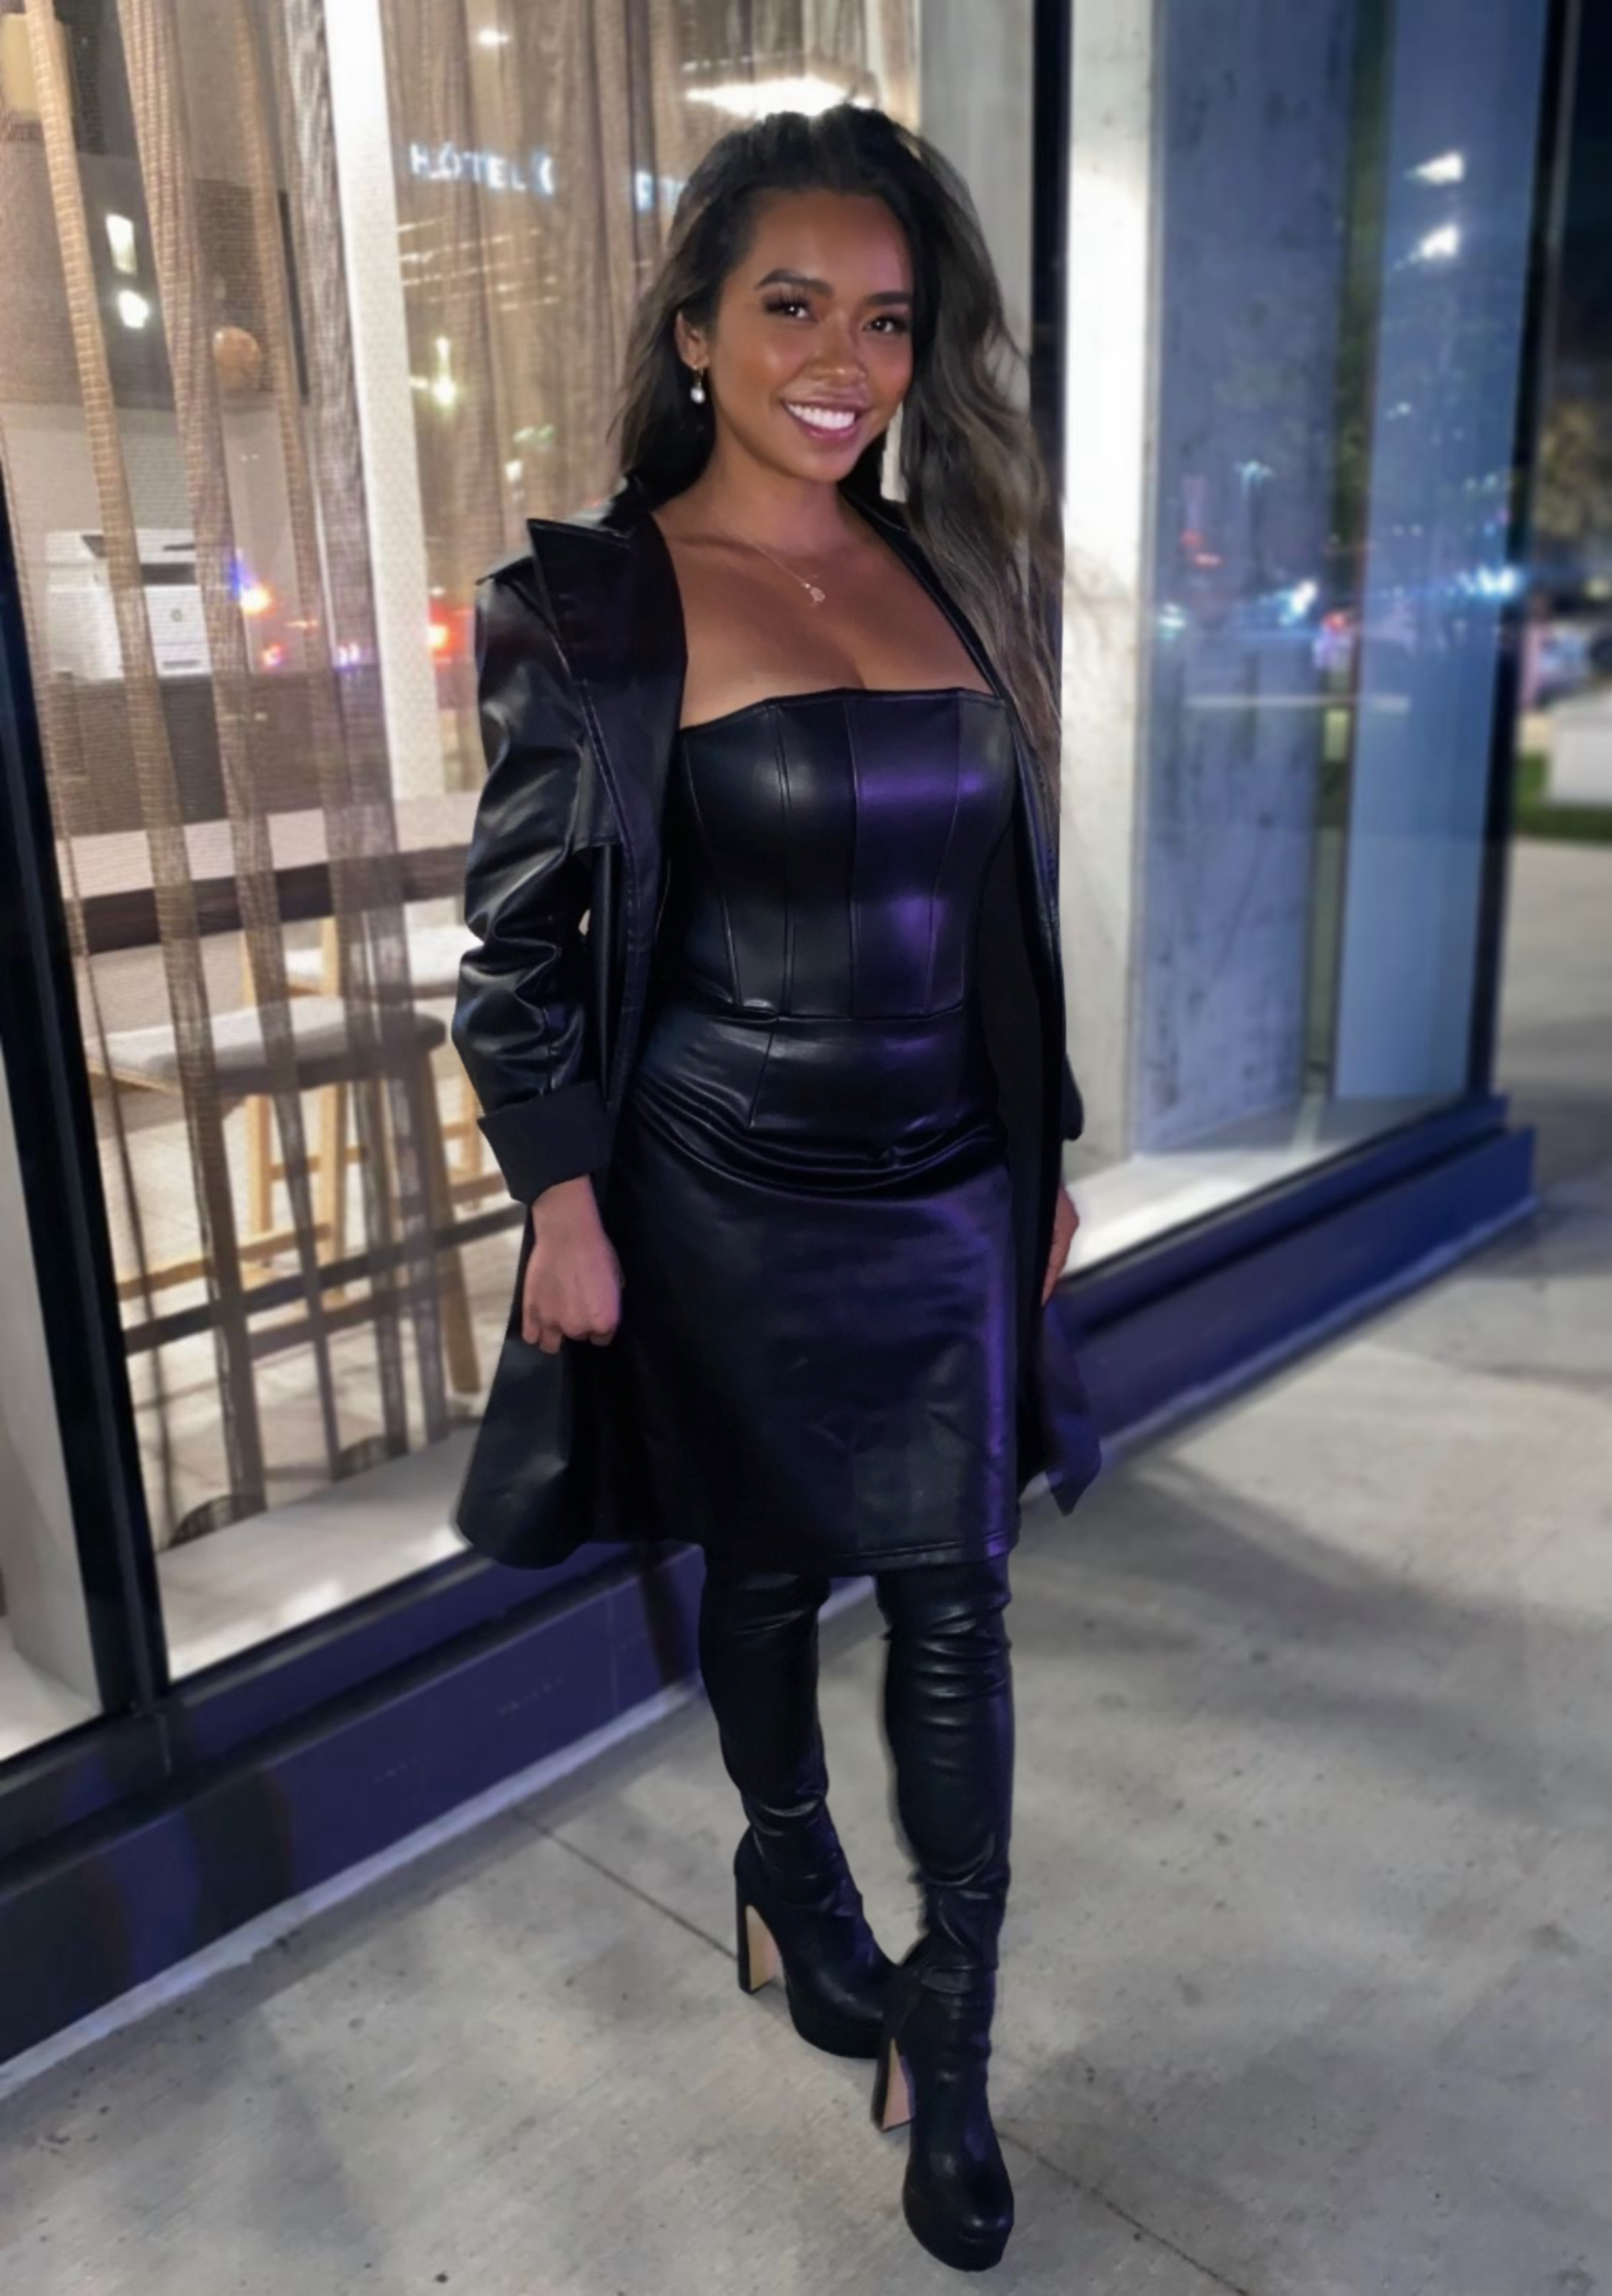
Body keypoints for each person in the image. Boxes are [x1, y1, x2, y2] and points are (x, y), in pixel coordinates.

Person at [451, 102, 1100, 2277]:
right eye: (794, 306)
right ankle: (791, 1872)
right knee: (761, 1565)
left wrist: (1046, 1157)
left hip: (948, 1177)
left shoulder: (952, 567)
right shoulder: (592, 607)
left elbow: (1002, 914)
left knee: (955, 1594)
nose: (845, 361)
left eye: (887, 321)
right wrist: (560, 1199)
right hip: (716, 1172)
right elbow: (521, 946)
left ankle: (954, 2039)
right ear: (697, 330)